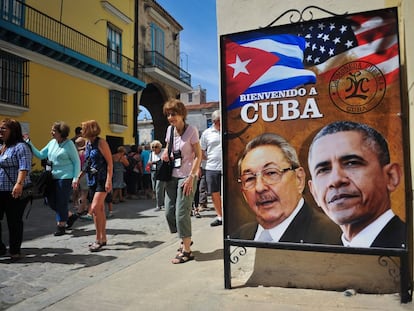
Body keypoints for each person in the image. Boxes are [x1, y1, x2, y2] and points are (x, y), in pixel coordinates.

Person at [307, 121, 406, 248]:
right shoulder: (323, 257)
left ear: (391, 176)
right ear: (314, 192)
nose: (335, 180)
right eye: (323, 170)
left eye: (351, 163)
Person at [233, 133, 341, 244]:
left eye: (271, 173)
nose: (259, 188)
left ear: (299, 179)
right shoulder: (240, 236)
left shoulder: (334, 238)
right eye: (250, 178)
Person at [162, 99, 202, 264]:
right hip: (171, 176)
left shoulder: (191, 130)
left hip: (187, 177)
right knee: (169, 213)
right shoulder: (170, 130)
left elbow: (199, 155)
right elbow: (168, 147)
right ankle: (186, 238)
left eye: (174, 114)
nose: (171, 117)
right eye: (168, 114)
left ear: (182, 114)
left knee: (181, 214)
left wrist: (192, 177)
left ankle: (187, 250)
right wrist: (165, 153)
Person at [26, 121, 80, 236]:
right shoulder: (52, 143)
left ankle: (61, 225)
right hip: (52, 176)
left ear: (61, 133)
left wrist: (75, 178)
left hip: (65, 177)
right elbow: (41, 154)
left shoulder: (69, 144)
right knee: (49, 201)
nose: (51, 132)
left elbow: (76, 161)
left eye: (54, 130)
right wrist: (29, 143)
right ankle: (70, 216)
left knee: (61, 201)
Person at [77, 120, 113, 252]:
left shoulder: (101, 142)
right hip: (91, 179)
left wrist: (109, 180)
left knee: (94, 207)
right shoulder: (88, 144)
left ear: (90, 129)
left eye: (83, 128)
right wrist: (79, 176)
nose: (81, 131)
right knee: (99, 211)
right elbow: (87, 163)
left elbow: (110, 162)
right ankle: (103, 238)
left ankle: (98, 239)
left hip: (102, 179)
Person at [0, 118, 32, 261]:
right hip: (1, 189)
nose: (0, 131)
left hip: (14, 191)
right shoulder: (2, 147)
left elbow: (24, 166)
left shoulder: (21, 147)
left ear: (13, 131)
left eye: (3, 128)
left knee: (14, 221)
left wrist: (19, 184)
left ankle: (14, 251)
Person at [200, 110, 223, 226]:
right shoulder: (206, 133)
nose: (220, 123)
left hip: (226, 167)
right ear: (214, 121)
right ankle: (220, 216)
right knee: (214, 192)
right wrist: (206, 160)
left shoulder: (227, 130)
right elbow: (201, 150)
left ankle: (229, 215)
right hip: (212, 167)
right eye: (218, 121)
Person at [148, 140, 165, 211]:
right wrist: (150, 163)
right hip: (153, 172)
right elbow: (149, 162)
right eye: (153, 147)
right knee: (155, 188)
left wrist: (154, 162)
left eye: (156, 147)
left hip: (161, 172)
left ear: (160, 147)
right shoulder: (151, 154)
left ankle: (159, 205)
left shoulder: (163, 153)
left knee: (158, 188)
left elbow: (163, 161)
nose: (154, 148)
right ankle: (162, 202)